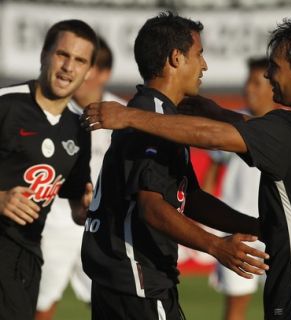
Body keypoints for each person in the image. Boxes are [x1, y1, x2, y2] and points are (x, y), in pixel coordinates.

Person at [83, 16, 291, 320]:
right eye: (200, 54)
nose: (268, 74)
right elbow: (188, 197)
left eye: (275, 66)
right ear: (176, 58)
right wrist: (254, 227)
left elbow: (212, 137)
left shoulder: (152, 118)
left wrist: (129, 116)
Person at [80, 12, 268, 320]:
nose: (204, 65)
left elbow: (189, 197)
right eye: (200, 55)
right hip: (137, 279)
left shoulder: (158, 114)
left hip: (127, 278)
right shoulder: (152, 117)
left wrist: (254, 226)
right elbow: (151, 206)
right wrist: (216, 246)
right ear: (176, 58)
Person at [0, 19, 97, 320]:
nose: (69, 66)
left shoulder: (79, 128)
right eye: (62, 54)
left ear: (88, 72)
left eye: (79, 60)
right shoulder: (6, 105)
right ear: (44, 54)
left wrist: (83, 209)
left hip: (24, 261)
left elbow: (73, 198)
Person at [35, 37, 125, 320]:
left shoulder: (124, 115)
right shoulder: (52, 112)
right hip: (55, 223)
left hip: (103, 226)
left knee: (109, 306)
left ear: (105, 72)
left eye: (91, 65)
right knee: (40, 304)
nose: (83, 74)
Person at [206, 57, 274, 320]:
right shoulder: (231, 127)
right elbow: (211, 175)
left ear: (272, 87)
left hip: (275, 231)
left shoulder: (285, 127)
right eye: (248, 82)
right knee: (236, 309)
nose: (250, 89)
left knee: (284, 306)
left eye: (257, 83)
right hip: (237, 231)